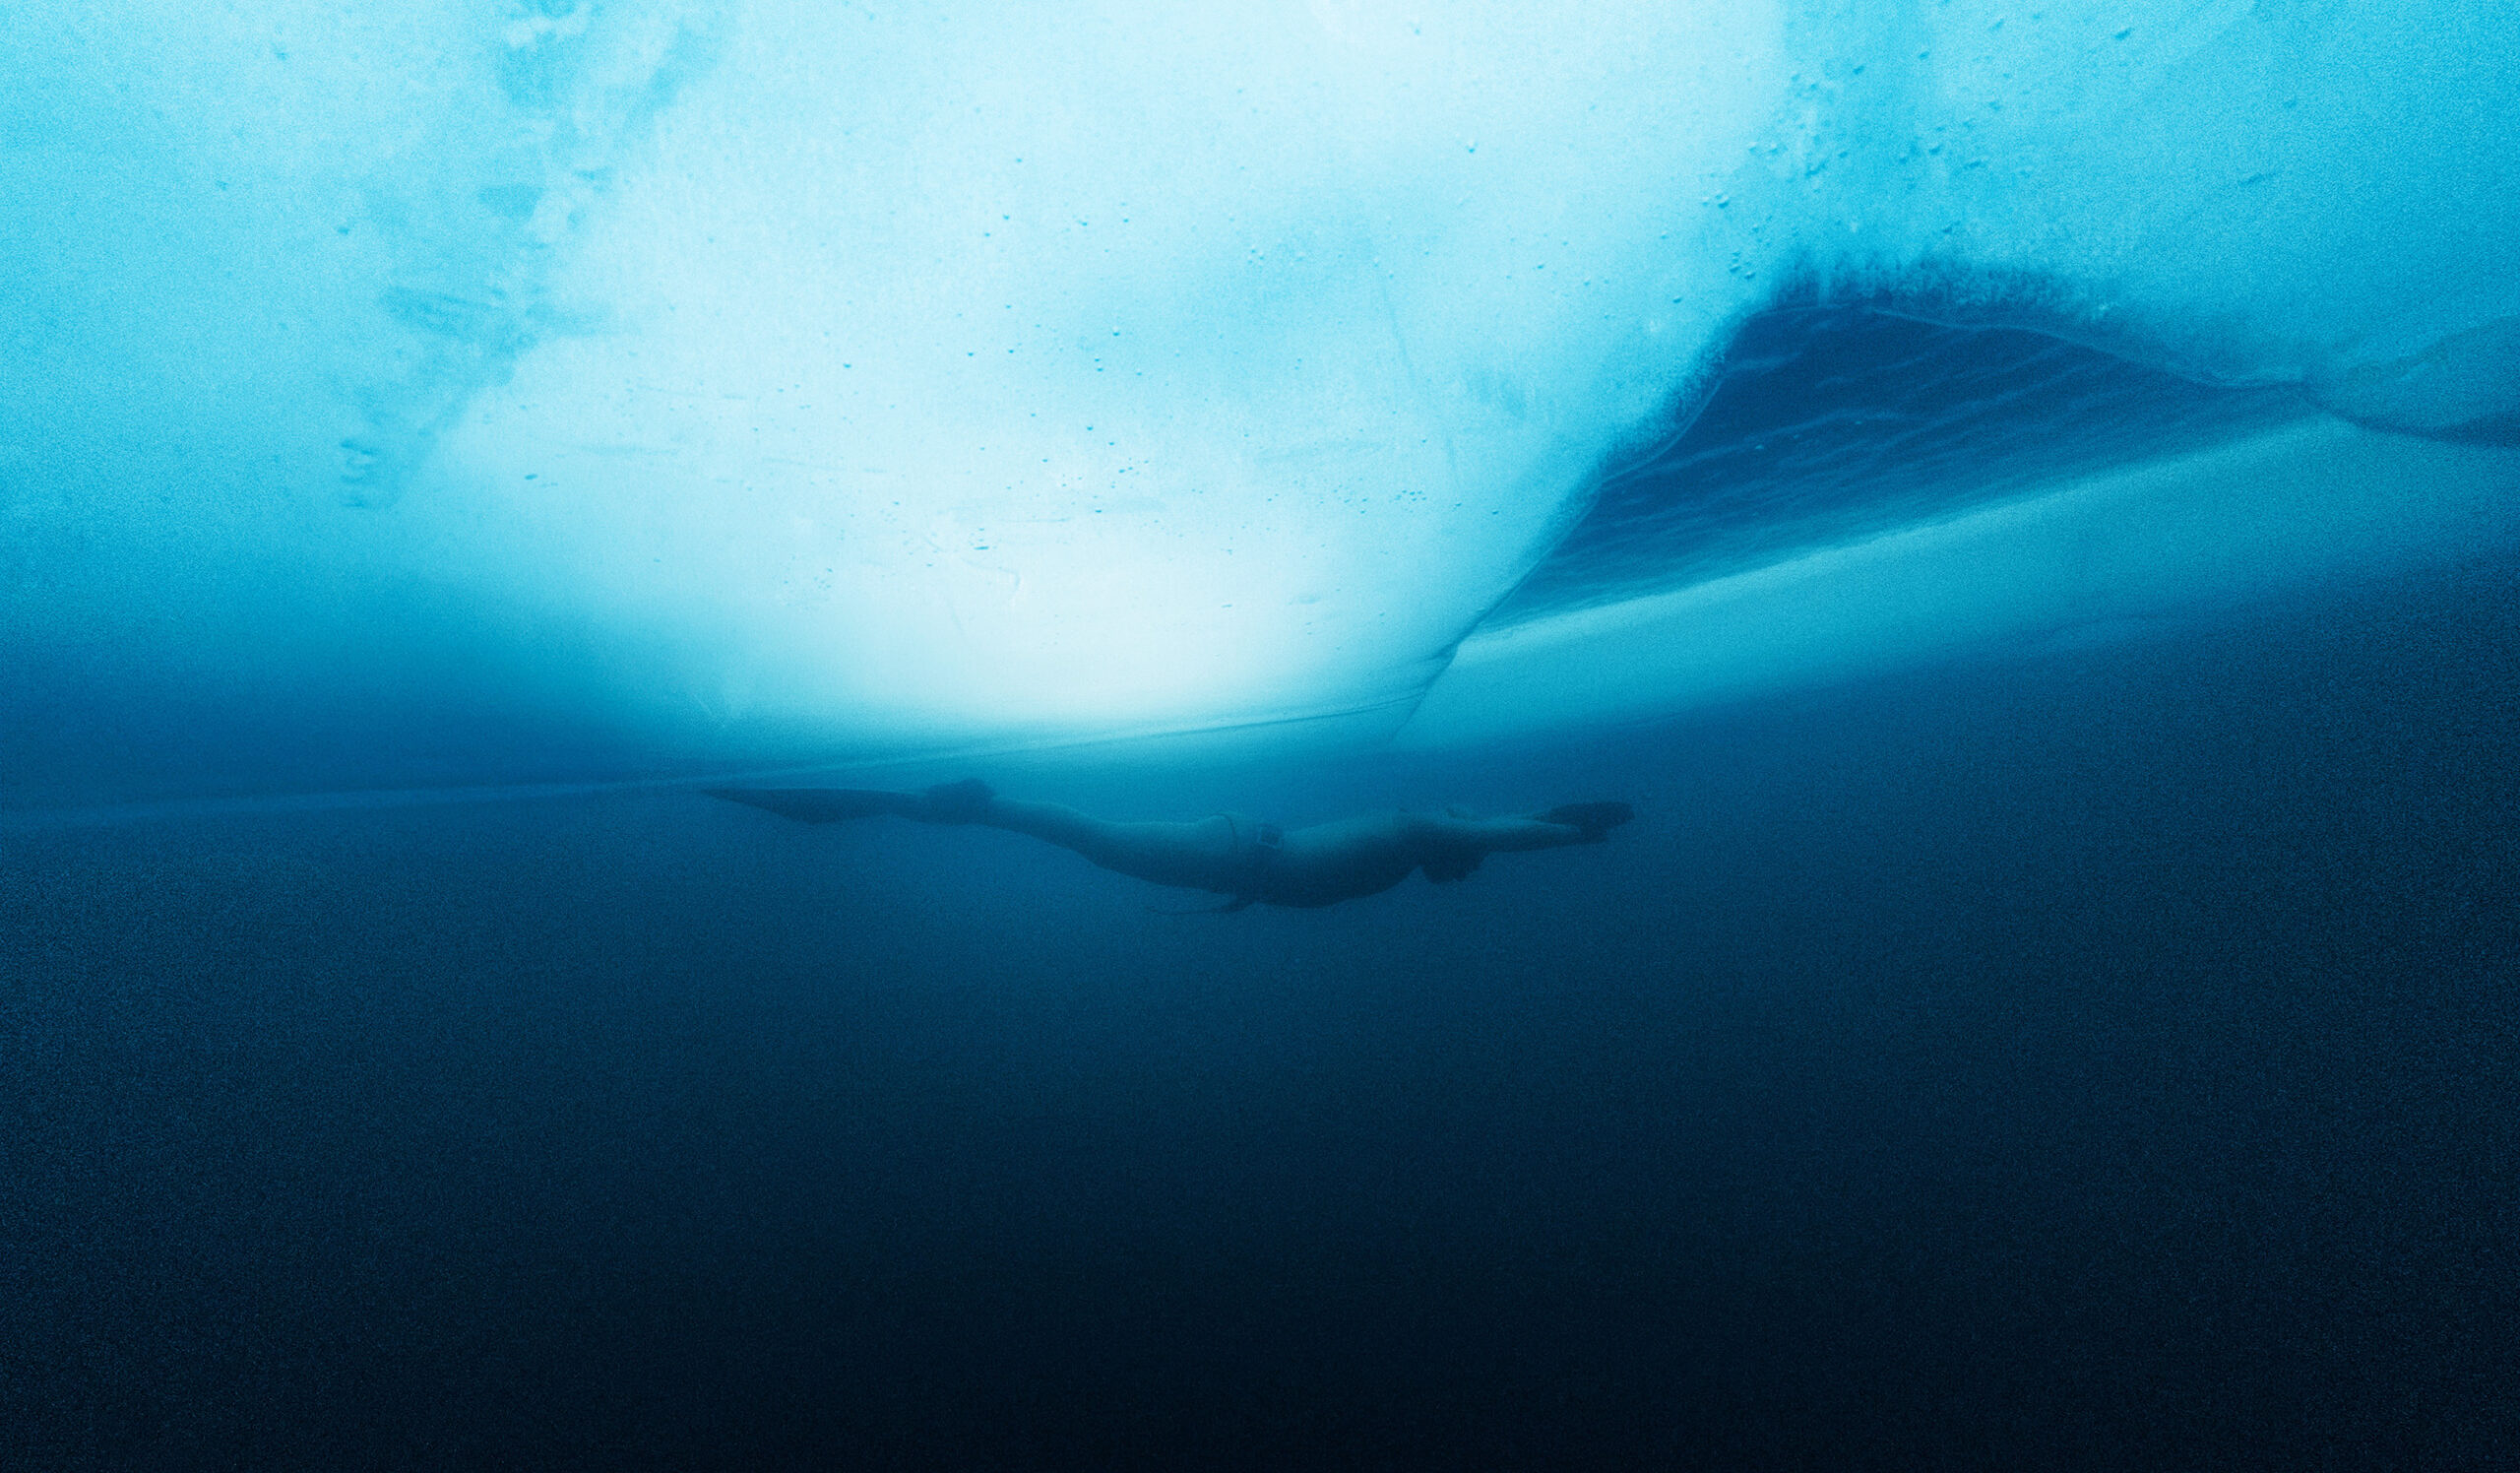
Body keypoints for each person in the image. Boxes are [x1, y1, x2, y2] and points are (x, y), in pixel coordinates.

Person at [707, 779, 1633, 910]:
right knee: (1066, 831)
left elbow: (1311, 876)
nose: (1472, 857)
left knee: (1075, 836)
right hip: (1229, 853)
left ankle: (959, 801)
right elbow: (1496, 835)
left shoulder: (1403, 849)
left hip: (1234, 859)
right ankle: (903, 801)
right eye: (1473, 840)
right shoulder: (1417, 834)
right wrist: (1570, 832)